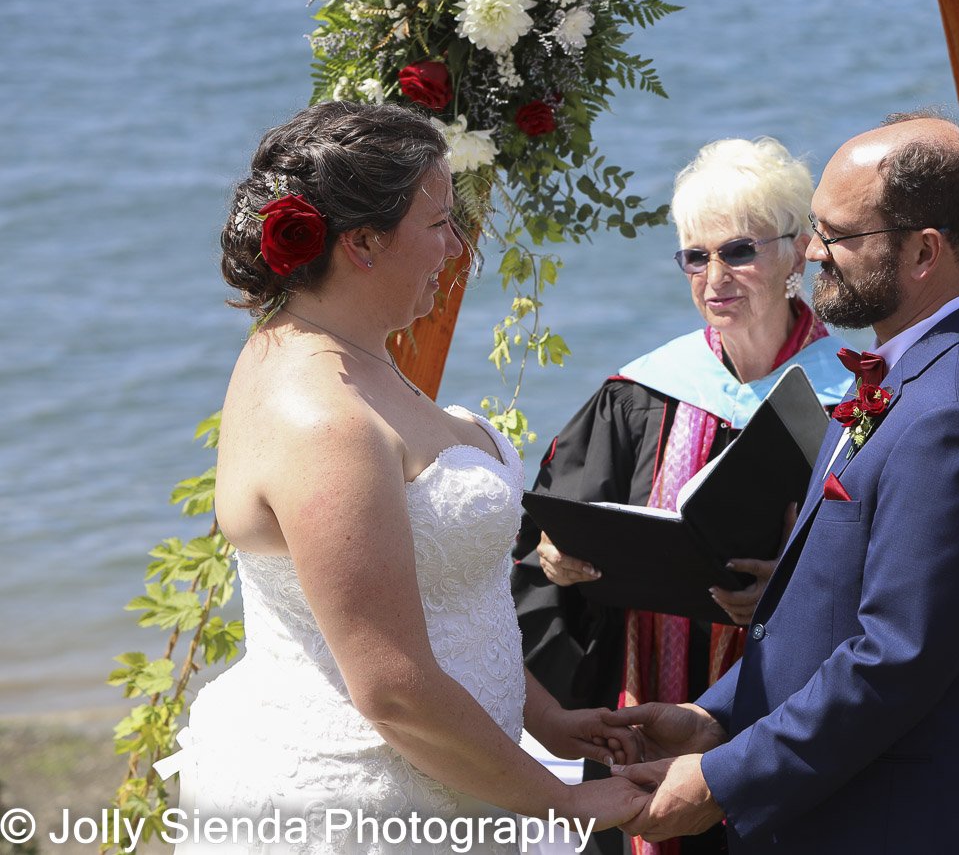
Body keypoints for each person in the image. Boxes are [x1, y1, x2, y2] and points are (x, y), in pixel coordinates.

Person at [157, 102, 648, 854]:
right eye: (439, 223)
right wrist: (561, 801)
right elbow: (391, 685)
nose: (457, 247)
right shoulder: (323, 419)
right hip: (371, 814)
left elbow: (439, 602)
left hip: (452, 781)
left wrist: (542, 716)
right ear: (360, 242)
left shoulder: (337, 348)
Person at [610, 116, 959, 853]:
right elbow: (828, 608)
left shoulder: (958, 415)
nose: (810, 252)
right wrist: (716, 716)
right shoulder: (909, 376)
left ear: (924, 251)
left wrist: (723, 777)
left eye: (836, 234)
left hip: (902, 824)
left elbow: (895, 658)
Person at [510, 137, 856, 855]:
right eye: (694, 257)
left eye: (737, 250)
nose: (714, 277)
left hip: (786, 728)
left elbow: (891, 582)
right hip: (647, 713)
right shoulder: (642, 395)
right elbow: (544, 545)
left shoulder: (855, 399)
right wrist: (557, 562)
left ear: (795, 253)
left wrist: (791, 598)